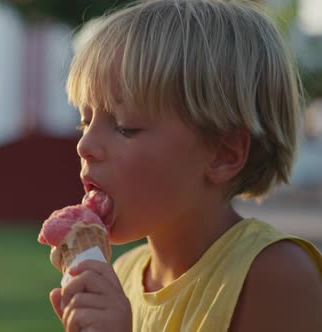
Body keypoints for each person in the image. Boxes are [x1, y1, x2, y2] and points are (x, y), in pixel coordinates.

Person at [47, 0, 322, 331]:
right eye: (85, 122)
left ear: (223, 154)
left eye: (124, 127)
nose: (84, 145)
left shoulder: (274, 274)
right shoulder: (121, 275)